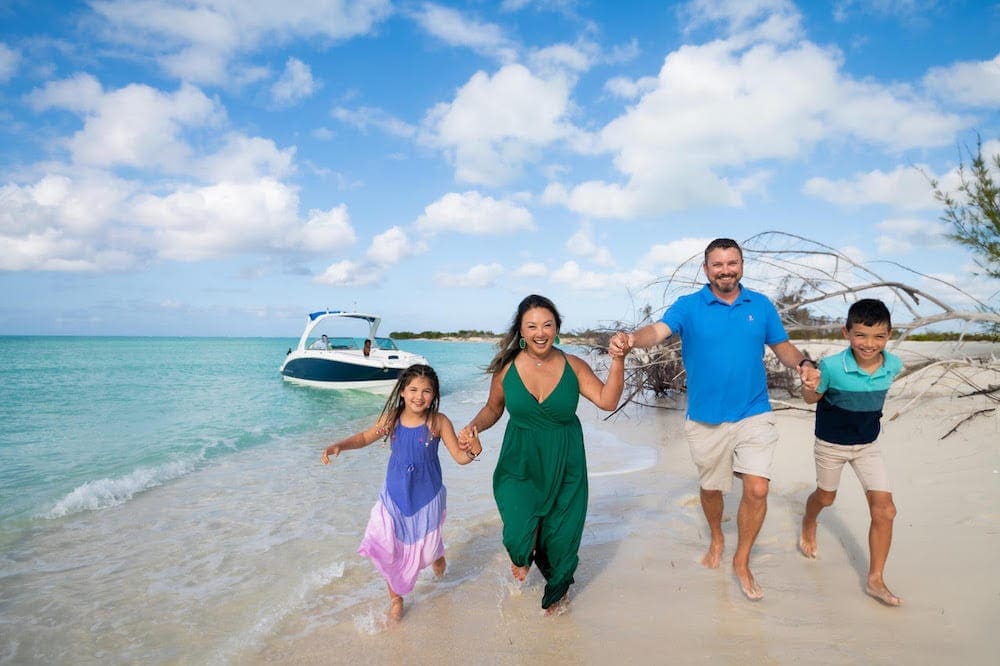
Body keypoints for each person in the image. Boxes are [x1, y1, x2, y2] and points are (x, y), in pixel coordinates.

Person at [611, 238, 818, 600]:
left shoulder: (761, 305)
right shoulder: (689, 306)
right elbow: (657, 331)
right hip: (706, 419)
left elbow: (781, 345)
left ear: (741, 265)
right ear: (706, 270)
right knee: (712, 489)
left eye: (732, 263)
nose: (726, 270)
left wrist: (802, 363)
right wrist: (631, 338)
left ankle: (742, 559)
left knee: (757, 488)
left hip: (753, 412)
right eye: (717, 265)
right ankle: (718, 537)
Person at [459, 294, 628, 615]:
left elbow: (608, 400)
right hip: (519, 461)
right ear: (521, 332)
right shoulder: (507, 370)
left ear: (557, 329)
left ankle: (557, 597)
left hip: (566, 461)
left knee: (562, 537)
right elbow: (493, 409)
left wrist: (617, 360)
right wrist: (473, 427)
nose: (540, 332)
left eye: (547, 325)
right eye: (532, 326)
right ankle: (523, 555)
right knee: (518, 532)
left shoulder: (574, 366)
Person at [321, 364, 482, 622]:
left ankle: (438, 553)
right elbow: (365, 437)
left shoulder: (438, 422)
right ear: (403, 392)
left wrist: (474, 450)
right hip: (393, 497)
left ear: (434, 394)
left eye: (426, 391)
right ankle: (396, 599)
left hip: (427, 498)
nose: (419, 396)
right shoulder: (392, 418)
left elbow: (460, 457)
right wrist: (340, 445)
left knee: (429, 554)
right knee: (386, 548)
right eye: (414, 390)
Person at [798, 298, 904, 606]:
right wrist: (809, 384)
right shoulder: (831, 366)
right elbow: (811, 398)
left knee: (886, 510)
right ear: (846, 332)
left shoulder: (894, 365)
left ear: (888, 335)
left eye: (878, 336)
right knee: (826, 497)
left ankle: (875, 580)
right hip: (830, 446)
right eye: (860, 335)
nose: (869, 344)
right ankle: (808, 520)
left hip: (867, 447)